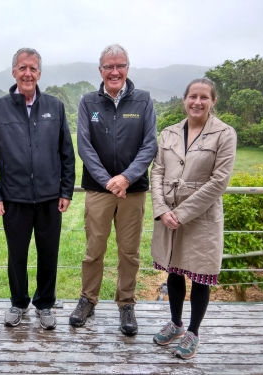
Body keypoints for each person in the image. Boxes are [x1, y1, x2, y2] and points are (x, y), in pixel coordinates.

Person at [0, 47, 75, 330]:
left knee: (49, 254)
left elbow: (67, 153)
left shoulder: (55, 107)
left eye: (33, 68)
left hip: (49, 198)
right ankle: (18, 302)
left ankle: (45, 304)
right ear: (14, 72)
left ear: (39, 73)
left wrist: (66, 191)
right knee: (17, 255)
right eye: (22, 68)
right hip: (14, 199)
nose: (27, 73)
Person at [70, 44, 157, 335]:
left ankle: (126, 304)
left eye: (120, 65)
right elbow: (85, 145)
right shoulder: (88, 102)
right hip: (99, 190)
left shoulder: (143, 101)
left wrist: (127, 178)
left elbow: (149, 146)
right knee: (94, 249)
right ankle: (87, 299)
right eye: (109, 66)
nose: (115, 71)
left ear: (127, 69)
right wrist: (109, 180)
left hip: (133, 191)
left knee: (129, 252)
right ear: (101, 71)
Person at [151, 78, 236, 359]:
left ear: (213, 101)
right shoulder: (169, 133)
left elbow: (219, 181)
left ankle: (193, 332)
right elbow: (157, 172)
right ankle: (175, 323)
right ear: (184, 99)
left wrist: (182, 213)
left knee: (200, 275)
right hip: (169, 216)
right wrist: (162, 209)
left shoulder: (225, 134)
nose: (197, 102)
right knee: (174, 271)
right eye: (192, 96)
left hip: (202, 217)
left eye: (204, 97)